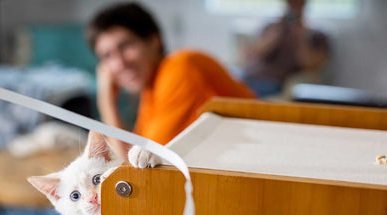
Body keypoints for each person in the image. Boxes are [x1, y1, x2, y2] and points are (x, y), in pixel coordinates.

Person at [86, 2, 255, 160]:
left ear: (154, 41)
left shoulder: (180, 69)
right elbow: (134, 154)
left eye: (125, 46)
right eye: (107, 56)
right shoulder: (151, 87)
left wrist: (106, 102)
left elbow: (137, 167)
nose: (119, 64)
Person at [241, 0, 330, 97]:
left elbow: (310, 66)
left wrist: (300, 37)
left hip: (273, 83)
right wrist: (276, 33)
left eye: (297, 4)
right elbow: (255, 53)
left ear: (304, 4)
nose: (292, 7)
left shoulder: (316, 35)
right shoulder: (272, 27)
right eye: (290, 3)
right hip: (249, 76)